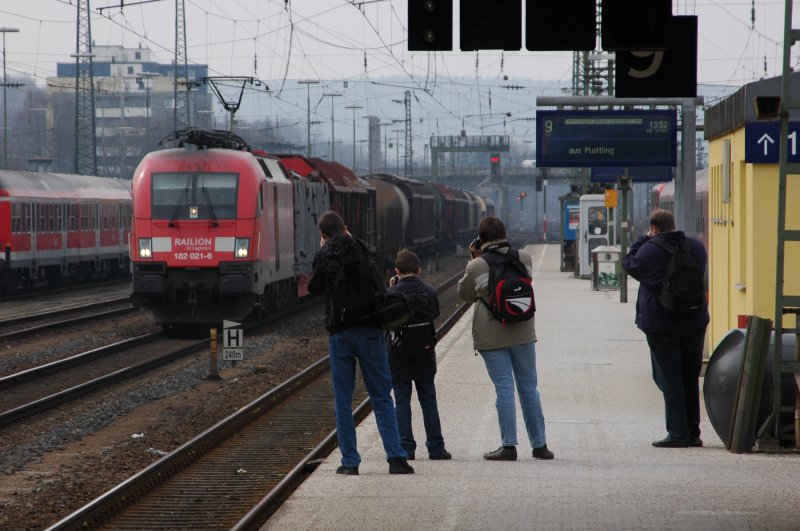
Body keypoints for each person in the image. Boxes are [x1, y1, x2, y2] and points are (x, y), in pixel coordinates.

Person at [308, 211, 414, 475]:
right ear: (346, 227)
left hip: (341, 334)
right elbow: (379, 286)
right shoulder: (365, 249)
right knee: (381, 395)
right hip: (369, 331)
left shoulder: (325, 255)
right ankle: (396, 458)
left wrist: (323, 251)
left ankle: (350, 463)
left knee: (343, 401)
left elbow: (314, 289)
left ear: (323, 235)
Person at [457, 216, 554, 461]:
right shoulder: (524, 258)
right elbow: (526, 283)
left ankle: (508, 446)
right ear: (504, 233)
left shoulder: (477, 265)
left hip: (491, 334)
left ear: (481, 239)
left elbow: (466, 294)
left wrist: (474, 260)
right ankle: (540, 445)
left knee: (504, 389)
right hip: (522, 330)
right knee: (529, 388)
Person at [622, 208, 710, 448]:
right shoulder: (696, 246)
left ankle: (677, 433)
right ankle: (693, 432)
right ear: (674, 224)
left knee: (669, 378)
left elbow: (630, 264)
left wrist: (643, 238)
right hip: (694, 319)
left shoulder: (650, 249)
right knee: (689, 378)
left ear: (654, 228)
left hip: (662, 324)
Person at [386, 249, 452, 461]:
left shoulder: (391, 294)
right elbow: (435, 314)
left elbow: (385, 322)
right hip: (424, 354)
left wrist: (392, 287)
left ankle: (406, 448)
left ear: (396, 271)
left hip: (399, 355)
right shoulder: (429, 292)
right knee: (429, 401)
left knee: (402, 403)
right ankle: (436, 447)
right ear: (419, 270)